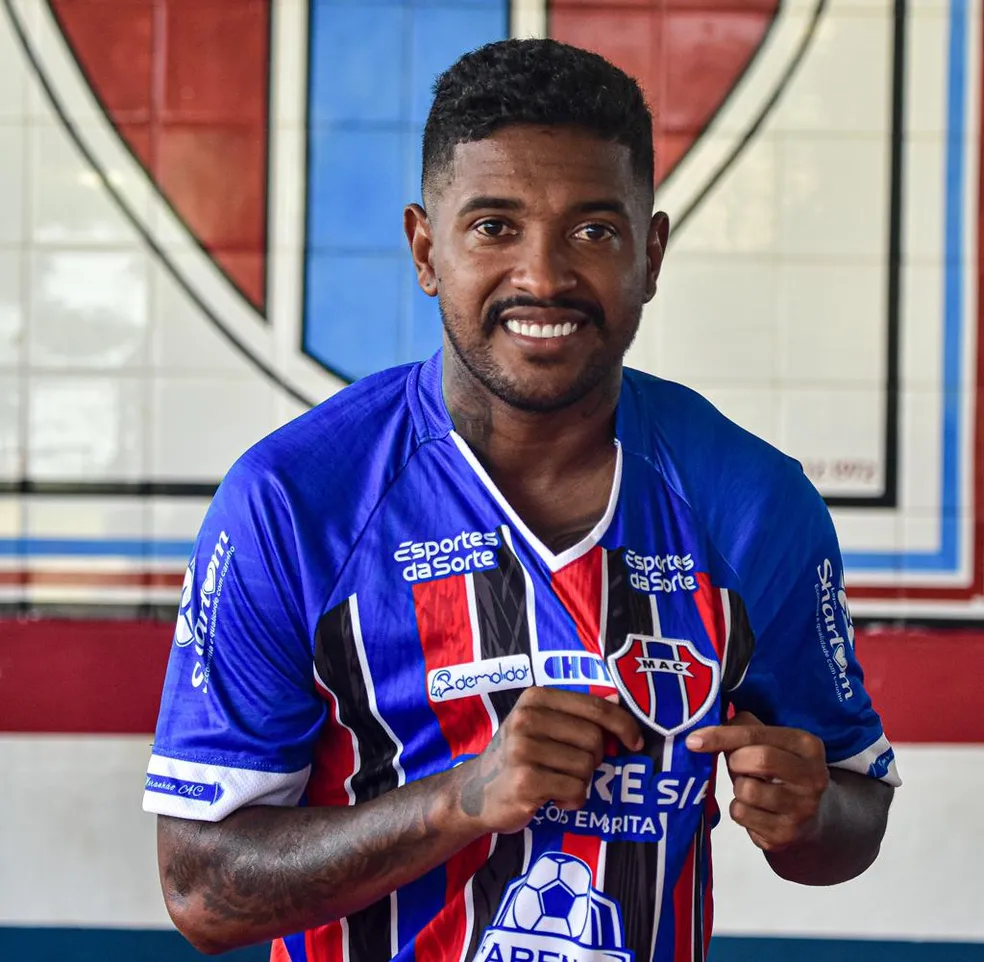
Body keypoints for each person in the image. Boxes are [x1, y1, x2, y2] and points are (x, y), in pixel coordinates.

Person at [144, 38, 899, 962]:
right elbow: (201, 891)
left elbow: (852, 816)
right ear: (426, 249)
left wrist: (810, 816)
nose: (543, 276)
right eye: (494, 227)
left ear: (651, 253)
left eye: (593, 232)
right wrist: (462, 798)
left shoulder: (751, 505)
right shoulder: (294, 503)